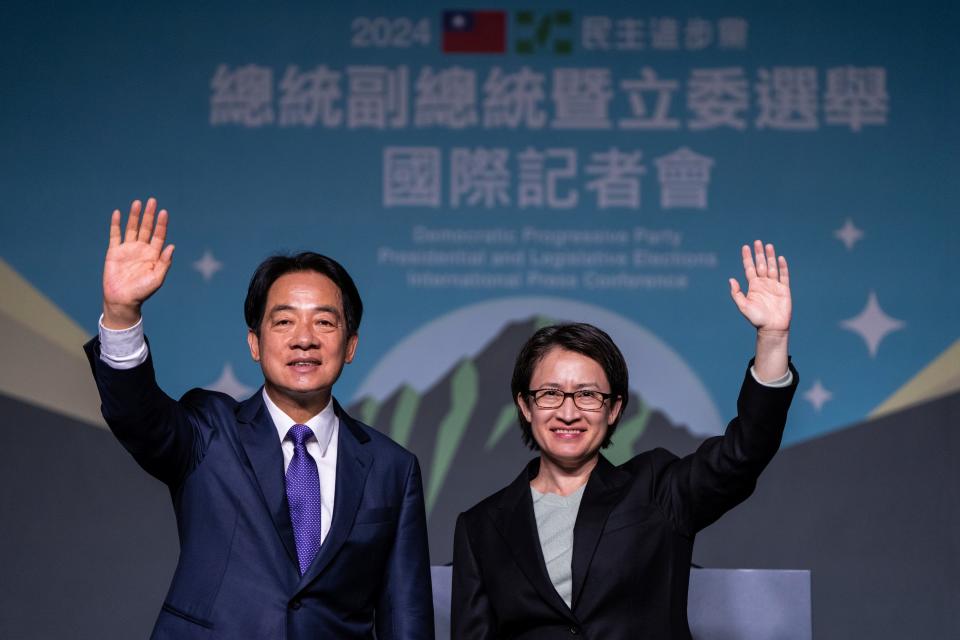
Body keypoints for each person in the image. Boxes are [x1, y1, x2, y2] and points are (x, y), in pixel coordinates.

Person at [84, 198, 434, 639]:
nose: (304, 339)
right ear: (254, 343)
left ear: (350, 345)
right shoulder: (208, 431)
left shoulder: (392, 468)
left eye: (324, 323)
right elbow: (136, 416)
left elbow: (407, 618)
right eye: (284, 322)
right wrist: (120, 315)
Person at [451, 241, 798, 640]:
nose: (568, 412)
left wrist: (772, 339)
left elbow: (744, 453)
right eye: (550, 394)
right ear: (525, 406)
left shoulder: (656, 489)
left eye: (587, 394)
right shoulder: (481, 527)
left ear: (614, 409)